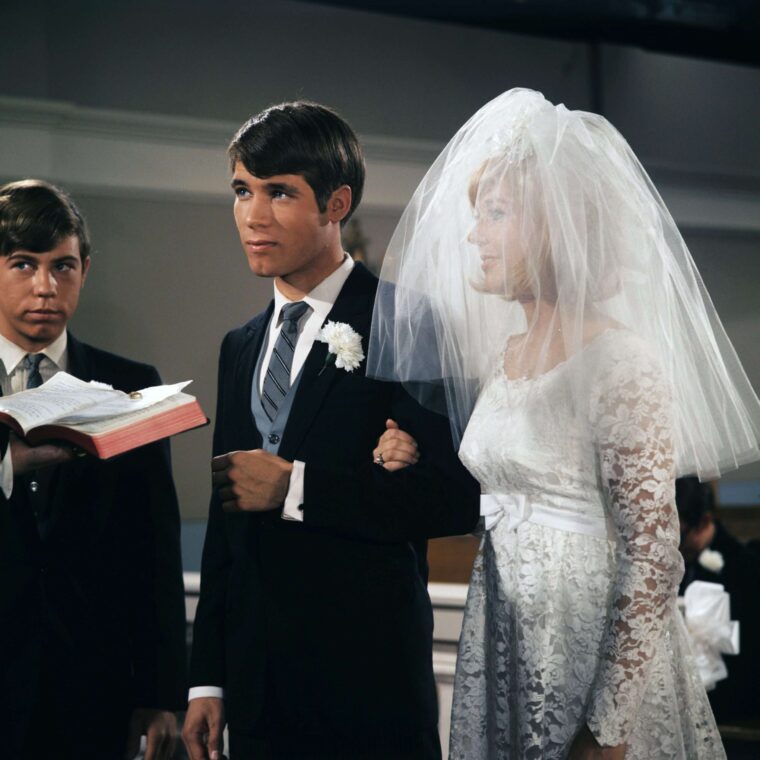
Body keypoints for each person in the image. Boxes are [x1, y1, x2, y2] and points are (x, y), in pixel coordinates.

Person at [369, 89, 760, 759]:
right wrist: (416, 457)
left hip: (585, 652)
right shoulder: (503, 355)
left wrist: (607, 730)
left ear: (557, 226)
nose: (473, 237)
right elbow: (507, 493)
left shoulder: (619, 364)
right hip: (504, 636)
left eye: (494, 215)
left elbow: (651, 556)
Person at [182, 102, 480, 760]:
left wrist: (297, 487)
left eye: (279, 192)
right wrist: (208, 678)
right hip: (257, 691)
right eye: (242, 191)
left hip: (365, 685)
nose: (254, 216)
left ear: (336, 202)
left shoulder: (407, 320)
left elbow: (453, 497)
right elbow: (226, 524)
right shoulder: (240, 346)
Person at [0, 180, 187, 759]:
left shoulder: (131, 385)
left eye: (63, 266)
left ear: (86, 268)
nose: (45, 287)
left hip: (92, 694)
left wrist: (162, 695)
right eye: (23, 264)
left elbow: (155, 552)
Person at [676, 476, 760, 724]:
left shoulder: (746, 567)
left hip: (731, 708)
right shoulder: (670, 564)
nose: (674, 547)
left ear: (704, 522)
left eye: (680, 536)